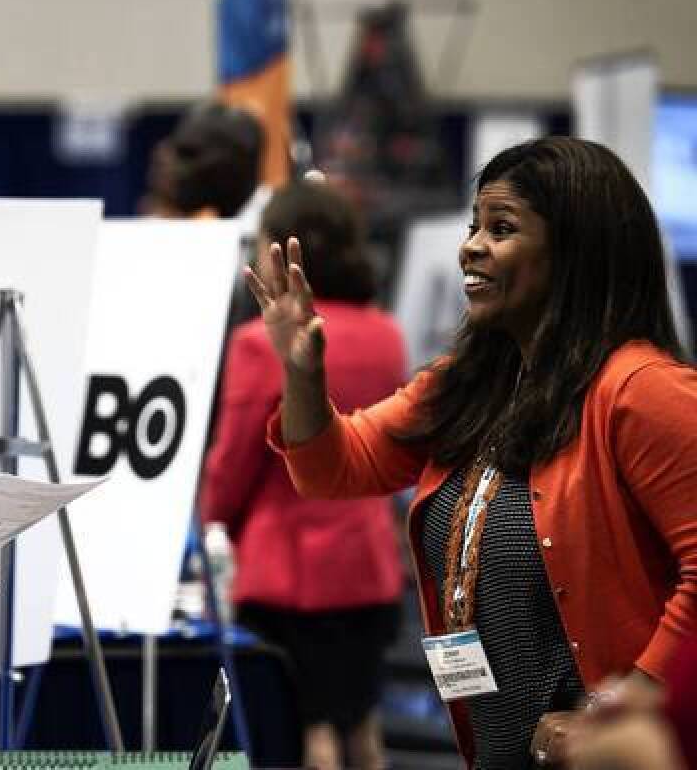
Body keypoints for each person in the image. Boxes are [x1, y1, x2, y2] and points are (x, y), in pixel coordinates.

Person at [245, 136, 697, 768]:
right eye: (473, 226)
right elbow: (333, 469)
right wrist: (301, 375)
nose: (470, 247)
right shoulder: (470, 383)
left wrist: (624, 711)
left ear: (573, 253)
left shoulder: (643, 390)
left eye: (501, 229)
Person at [200, 178, 406, 770]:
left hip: (287, 573)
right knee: (362, 727)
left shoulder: (259, 343)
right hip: (368, 571)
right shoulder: (384, 334)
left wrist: (212, 521)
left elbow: (233, 462)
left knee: (306, 733)